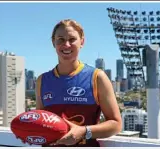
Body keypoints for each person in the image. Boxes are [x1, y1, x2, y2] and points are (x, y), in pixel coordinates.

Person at [35, 19, 122, 147]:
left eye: (72, 39)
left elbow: (116, 124)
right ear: (53, 42)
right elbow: (40, 123)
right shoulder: (42, 80)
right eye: (60, 39)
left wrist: (84, 131)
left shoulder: (97, 77)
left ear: (82, 42)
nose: (66, 44)